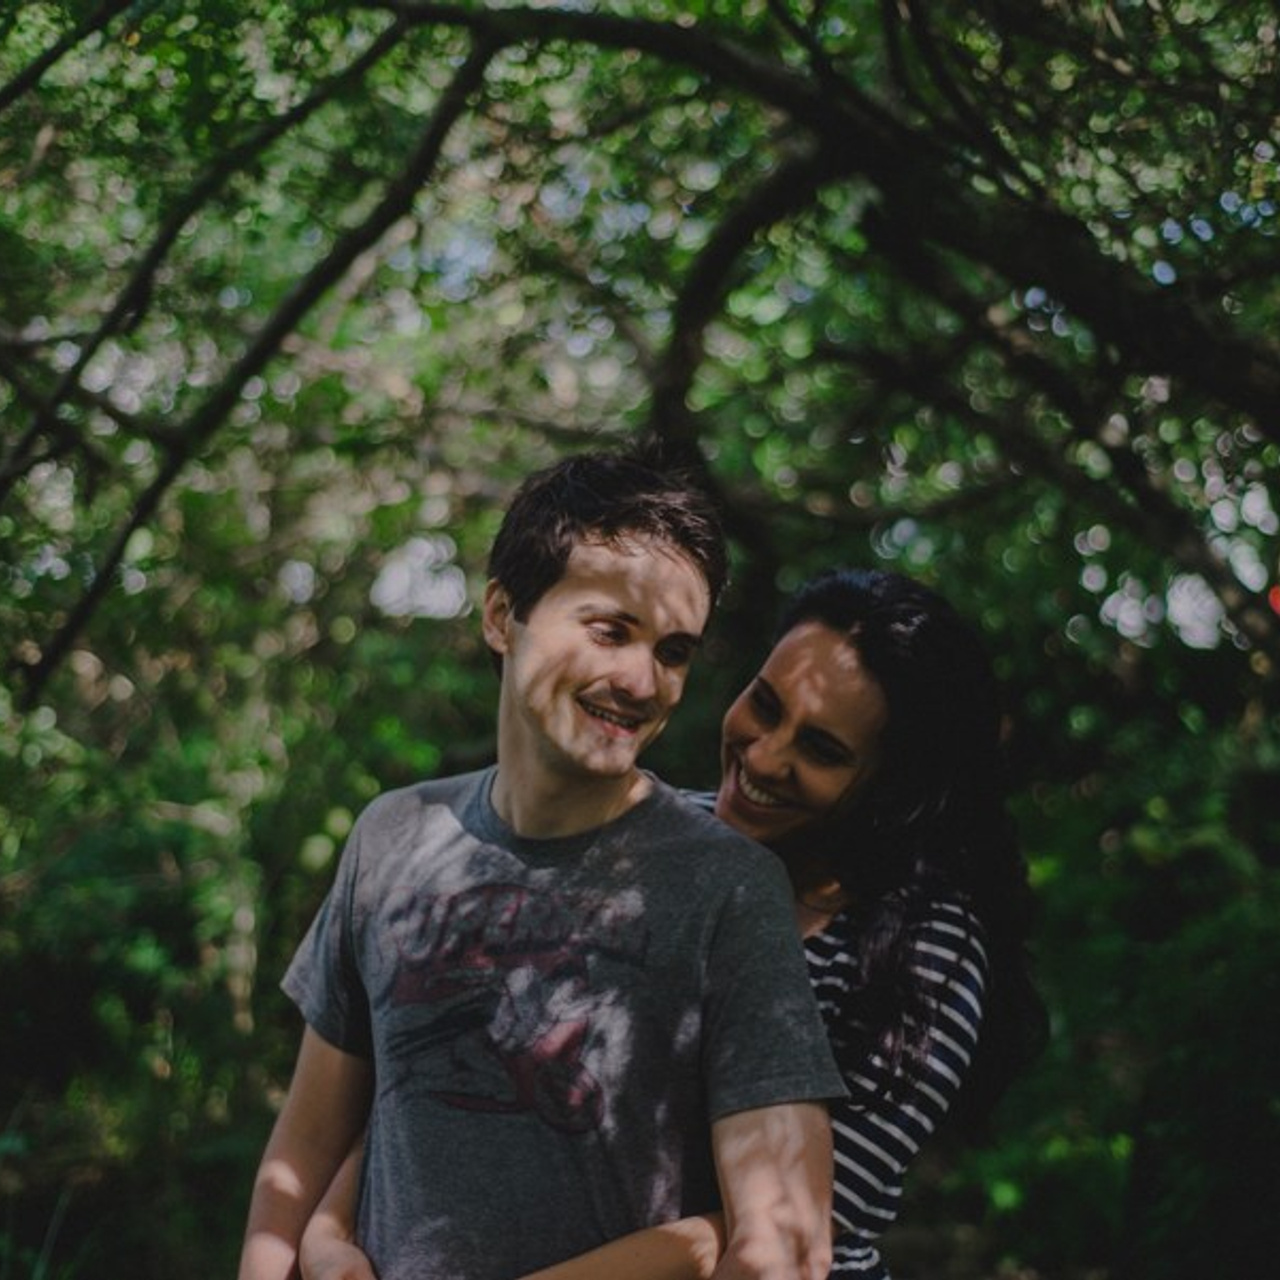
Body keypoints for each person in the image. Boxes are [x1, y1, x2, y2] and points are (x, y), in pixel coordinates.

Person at [300, 567, 1046, 1280]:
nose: (765, 756)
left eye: (821, 750)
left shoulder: (925, 954)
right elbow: (447, 1083)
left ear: (892, 789)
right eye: (766, 705)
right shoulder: (644, 834)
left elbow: (788, 1227)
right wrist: (329, 1235)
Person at [235, 448, 847, 1280]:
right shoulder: (392, 836)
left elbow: (788, 1249)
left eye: (673, 651)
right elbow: (306, 1149)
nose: (642, 681)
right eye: (610, 631)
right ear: (501, 615)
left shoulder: (726, 888)